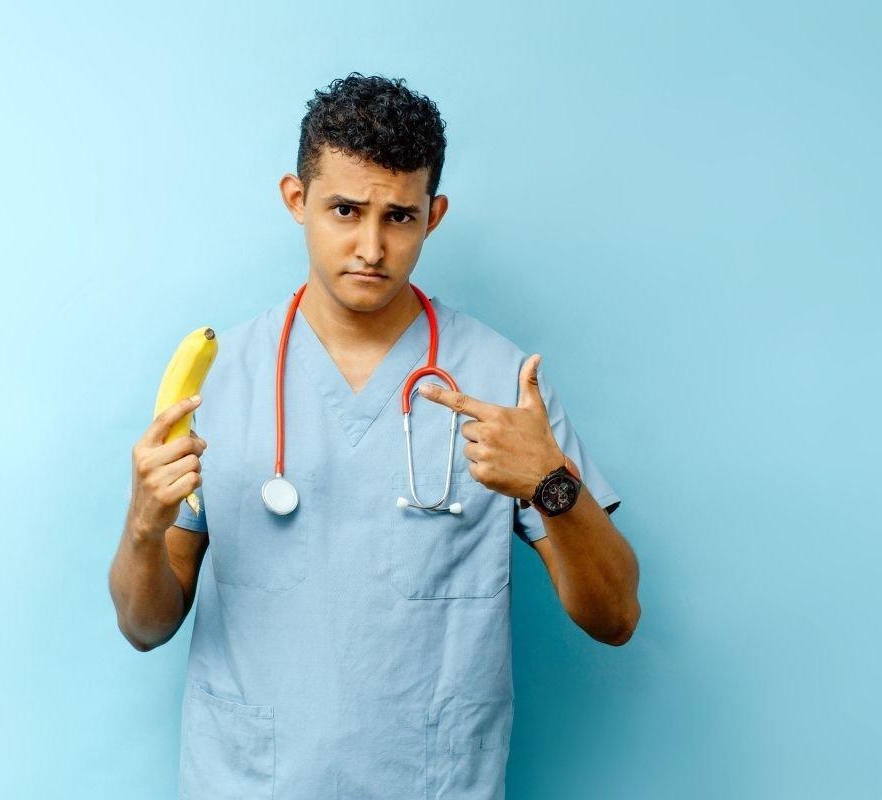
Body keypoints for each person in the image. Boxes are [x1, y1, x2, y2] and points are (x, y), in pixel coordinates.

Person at [108, 72, 641, 799]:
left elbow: (616, 618)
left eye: (399, 217)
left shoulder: (500, 380)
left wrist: (552, 485)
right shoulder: (219, 380)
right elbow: (145, 627)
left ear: (434, 216)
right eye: (345, 210)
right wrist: (143, 525)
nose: (371, 246)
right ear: (296, 200)